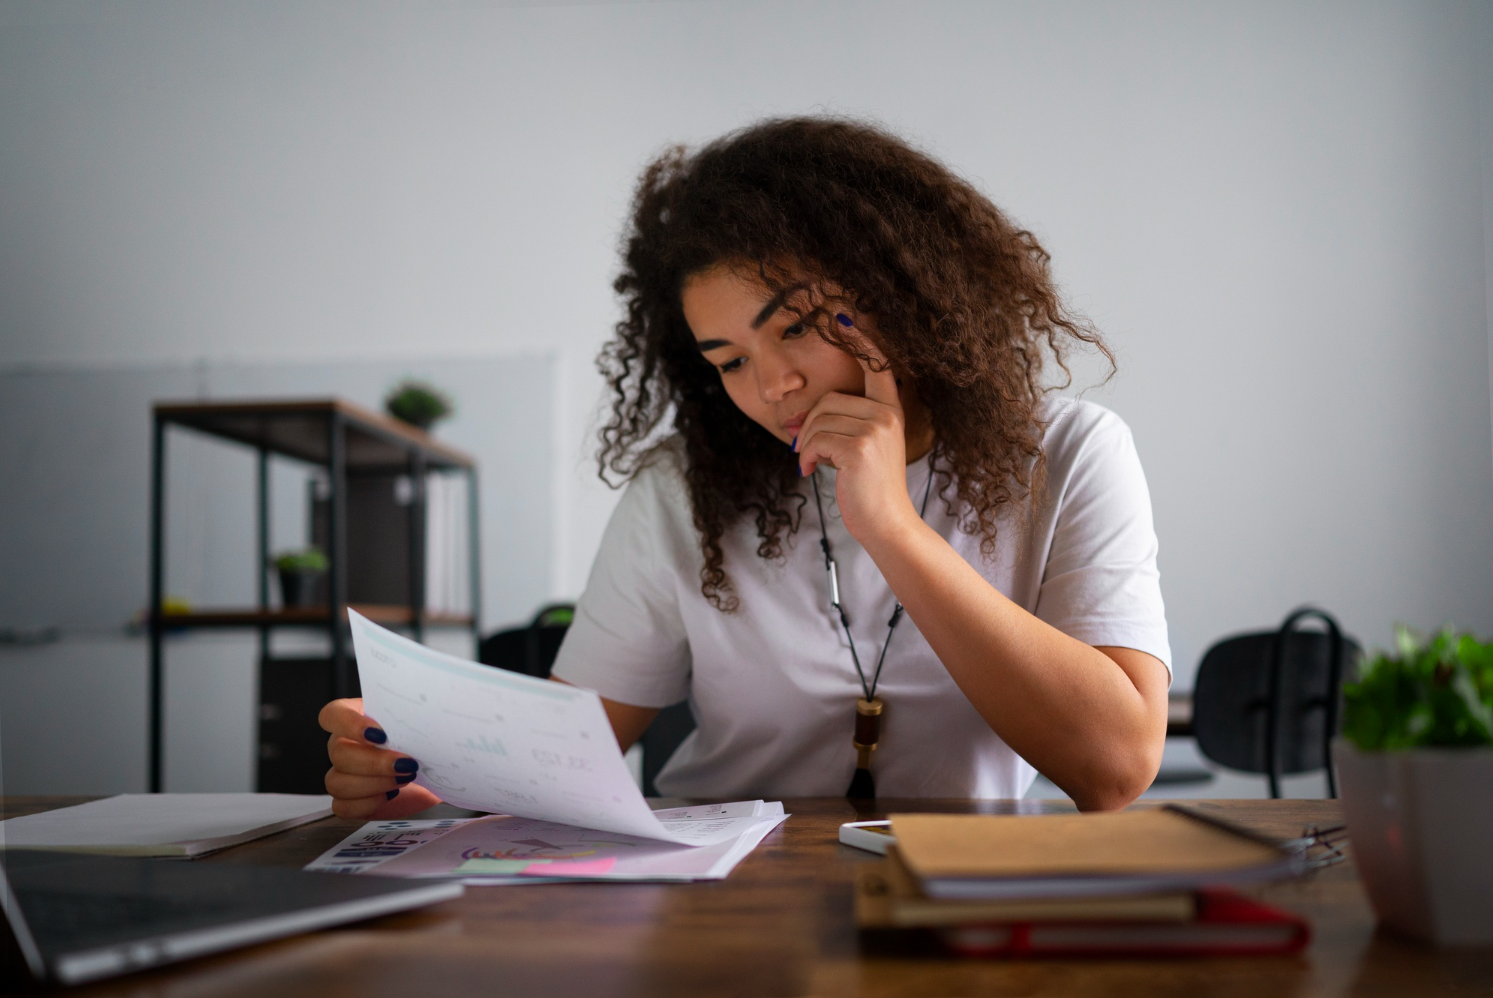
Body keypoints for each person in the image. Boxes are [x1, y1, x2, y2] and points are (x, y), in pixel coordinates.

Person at [319, 117, 1171, 818]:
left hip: (950, 899)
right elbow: (565, 745)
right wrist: (420, 770)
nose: (772, 386)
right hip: (720, 893)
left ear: (899, 289)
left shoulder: (1066, 455)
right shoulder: (685, 488)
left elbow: (1115, 766)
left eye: (796, 326)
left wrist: (891, 527)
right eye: (728, 361)